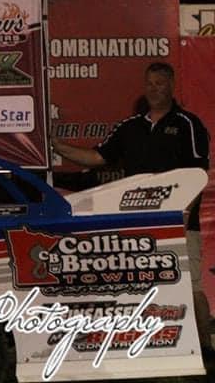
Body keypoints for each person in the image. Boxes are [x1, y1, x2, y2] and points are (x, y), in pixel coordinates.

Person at [53, 61, 211, 346]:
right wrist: (56, 145)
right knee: (145, 286)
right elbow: (97, 157)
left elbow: (197, 174)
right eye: (149, 83)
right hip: (139, 224)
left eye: (159, 83)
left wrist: (185, 212)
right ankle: (157, 345)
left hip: (180, 222)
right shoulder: (130, 126)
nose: (153, 89)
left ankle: (205, 349)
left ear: (172, 85)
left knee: (191, 285)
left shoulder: (188, 124)